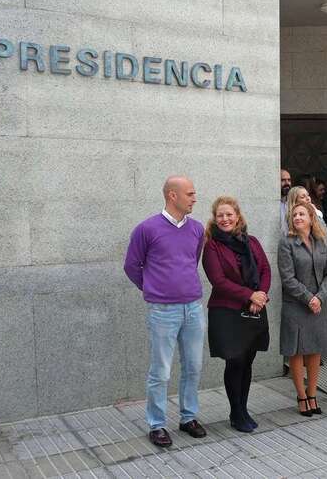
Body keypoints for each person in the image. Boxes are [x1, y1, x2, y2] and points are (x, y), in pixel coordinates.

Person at [124, 176, 207, 448]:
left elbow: (192, 260)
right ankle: (157, 424)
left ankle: (188, 417)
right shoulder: (146, 229)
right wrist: (154, 289)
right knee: (160, 371)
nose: (195, 198)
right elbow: (132, 266)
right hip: (163, 311)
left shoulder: (196, 229)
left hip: (193, 308)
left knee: (193, 367)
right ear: (173, 195)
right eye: (190, 194)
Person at [201, 196, 271, 433]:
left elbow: (265, 269)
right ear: (215, 218)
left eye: (229, 214)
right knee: (235, 361)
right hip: (227, 311)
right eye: (220, 215)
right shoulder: (212, 245)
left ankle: (243, 409)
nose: (225, 219)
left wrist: (260, 294)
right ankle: (236, 412)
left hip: (254, 308)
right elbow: (218, 281)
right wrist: (249, 296)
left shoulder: (251, 242)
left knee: (248, 360)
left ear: (238, 216)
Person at [278, 202, 327, 416]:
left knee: (315, 349)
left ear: (312, 218)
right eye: (294, 215)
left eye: (302, 214)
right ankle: (301, 396)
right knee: (297, 350)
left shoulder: (323, 241)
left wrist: (319, 297)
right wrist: (308, 298)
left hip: (319, 304)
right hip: (296, 304)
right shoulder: (286, 243)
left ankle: (313, 395)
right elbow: (287, 278)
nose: (298, 218)